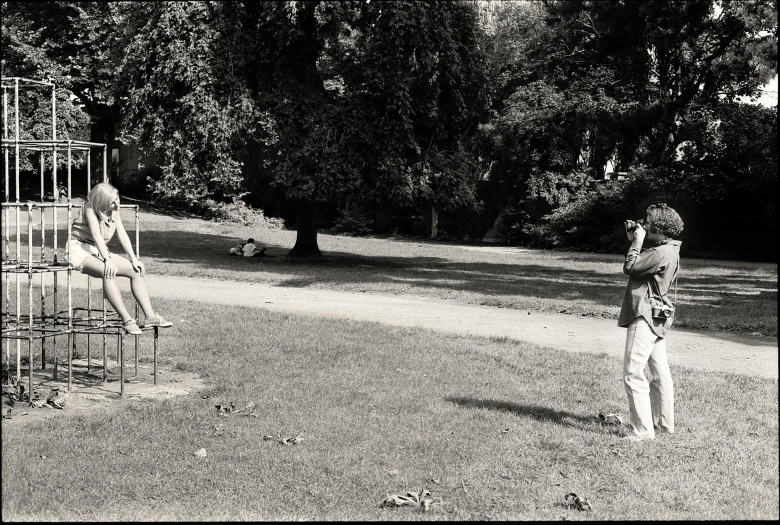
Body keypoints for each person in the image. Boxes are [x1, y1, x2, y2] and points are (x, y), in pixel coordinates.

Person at [68, 183, 172, 335]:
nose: (117, 204)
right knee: (107, 271)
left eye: (117, 199)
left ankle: (150, 316)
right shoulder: (89, 207)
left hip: (98, 249)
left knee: (134, 270)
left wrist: (134, 259)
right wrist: (107, 259)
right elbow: (96, 235)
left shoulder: (114, 210)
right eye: (112, 201)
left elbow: (122, 233)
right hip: (78, 248)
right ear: (101, 202)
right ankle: (127, 320)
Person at [617, 202, 684, 441]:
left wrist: (636, 242)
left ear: (659, 226)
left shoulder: (659, 252)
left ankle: (644, 431)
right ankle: (664, 425)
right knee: (659, 373)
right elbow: (646, 262)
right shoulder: (669, 248)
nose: (644, 224)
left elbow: (631, 266)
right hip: (657, 316)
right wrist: (635, 240)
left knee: (633, 373)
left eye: (647, 222)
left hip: (643, 314)